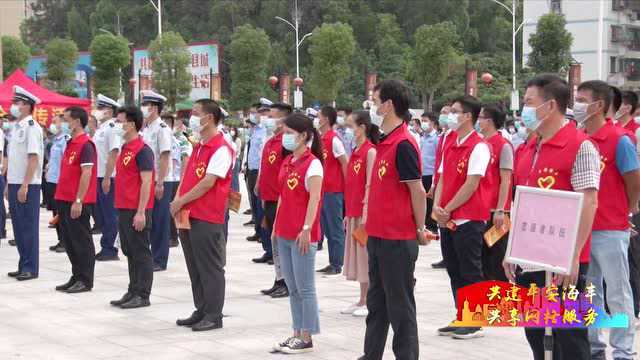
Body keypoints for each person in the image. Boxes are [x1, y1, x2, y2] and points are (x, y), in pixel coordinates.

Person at [504, 74, 599, 360]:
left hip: (565, 259)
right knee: (535, 330)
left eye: (529, 102)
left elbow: (589, 201)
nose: (525, 110)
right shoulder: (529, 147)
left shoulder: (580, 146)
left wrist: (572, 256)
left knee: (569, 335)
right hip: (531, 255)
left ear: (551, 106)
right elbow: (521, 202)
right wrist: (512, 249)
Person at [360, 80, 427, 360]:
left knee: (400, 307)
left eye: (375, 102)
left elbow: (417, 191)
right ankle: (371, 354)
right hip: (377, 236)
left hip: (398, 239)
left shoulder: (403, 144)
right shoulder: (385, 142)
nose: (373, 107)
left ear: (388, 105)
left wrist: (420, 228)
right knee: (377, 304)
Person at [575, 80, 640, 360]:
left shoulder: (619, 140)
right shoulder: (578, 138)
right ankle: (594, 344)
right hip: (583, 229)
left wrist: (627, 211)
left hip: (611, 228)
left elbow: (633, 180)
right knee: (591, 291)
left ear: (598, 105)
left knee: (617, 289)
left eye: (581, 99)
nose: (576, 105)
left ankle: (623, 350)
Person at [171, 99, 233, 332]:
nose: (192, 118)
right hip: (188, 213)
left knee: (210, 267)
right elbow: (188, 177)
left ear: (209, 117)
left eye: (197, 114)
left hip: (207, 215)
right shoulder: (198, 146)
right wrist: (178, 200)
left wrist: (180, 201)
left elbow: (208, 183)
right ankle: (202, 308)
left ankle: (214, 315)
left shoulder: (221, 148)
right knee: (194, 265)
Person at [433, 95, 491, 340]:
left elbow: (472, 183)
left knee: (470, 270)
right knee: (454, 269)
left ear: (468, 116)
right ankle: (462, 315)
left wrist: (448, 207)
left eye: (455, 111)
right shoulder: (450, 142)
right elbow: (443, 177)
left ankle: (475, 320)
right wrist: (436, 205)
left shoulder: (478, 145)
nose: (450, 115)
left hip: (468, 218)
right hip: (448, 218)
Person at [271, 113, 323, 354]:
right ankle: (296, 332)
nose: (285, 137)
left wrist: (307, 228)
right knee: (292, 287)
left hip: (302, 234)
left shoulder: (313, 164)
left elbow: (314, 198)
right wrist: (275, 226)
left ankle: (307, 336)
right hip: (284, 231)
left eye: (290, 133)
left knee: (305, 287)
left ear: (303, 136)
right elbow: (283, 195)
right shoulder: (288, 161)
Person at [110, 106, 155, 309]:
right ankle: (133, 289)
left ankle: (143, 294)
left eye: (121, 122)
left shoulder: (142, 150)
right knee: (129, 250)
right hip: (123, 207)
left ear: (132, 124)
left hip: (137, 209)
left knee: (140, 251)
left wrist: (141, 212)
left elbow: (147, 182)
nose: (118, 125)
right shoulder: (125, 149)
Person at [54, 106, 98, 293]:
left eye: (66, 120)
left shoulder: (85, 145)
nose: (64, 123)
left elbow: (86, 173)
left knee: (81, 241)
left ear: (77, 122)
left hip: (77, 201)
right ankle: (76, 275)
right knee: (70, 241)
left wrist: (78, 200)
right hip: (64, 198)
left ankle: (85, 279)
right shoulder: (71, 143)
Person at [340, 110, 378, 318]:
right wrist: (348, 212)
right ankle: (362, 299)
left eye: (350, 126)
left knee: (366, 258)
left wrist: (366, 213)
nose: (347, 131)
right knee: (358, 260)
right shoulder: (355, 151)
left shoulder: (370, 152)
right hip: (354, 211)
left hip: (365, 214)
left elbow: (370, 185)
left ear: (362, 127)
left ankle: (371, 300)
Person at [256, 103, 293, 299]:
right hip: (268, 198)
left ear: (283, 120)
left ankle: (286, 282)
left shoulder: (286, 144)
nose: (267, 119)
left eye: (272, 116)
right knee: (274, 241)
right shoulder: (271, 141)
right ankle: (279, 279)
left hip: (280, 200)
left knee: (281, 242)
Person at [6, 86, 44, 281]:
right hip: (14, 183)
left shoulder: (32, 128)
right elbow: (14, 160)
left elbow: (33, 159)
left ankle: (30, 267)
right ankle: (23, 264)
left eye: (18, 103)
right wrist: (9, 184)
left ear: (28, 106)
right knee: (19, 227)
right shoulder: (16, 127)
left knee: (28, 226)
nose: (14, 106)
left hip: (28, 185)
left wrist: (25, 185)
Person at [477, 104, 513, 282]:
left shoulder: (503, 146)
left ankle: (503, 306)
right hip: (481, 210)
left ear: (489, 121)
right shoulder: (480, 144)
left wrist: (500, 209)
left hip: (498, 213)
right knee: (482, 260)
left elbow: (505, 179)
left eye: (481, 117)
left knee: (497, 259)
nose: (478, 121)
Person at [140, 90, 174, 272]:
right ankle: (153, 255)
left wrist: (160, 182)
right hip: (149, 179)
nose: (144, 108)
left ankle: (160, 259)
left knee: (160, 220)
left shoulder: (162, 129)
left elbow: (164, 156)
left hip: (161, 180)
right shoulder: (147, 129)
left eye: (146, 105)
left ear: (154, 108)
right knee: (150, 219)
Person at [316, 105, 348, 276]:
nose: (317, 119)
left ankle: (337, 263)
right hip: (323, 190)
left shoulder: (334, 140)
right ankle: (332, 261)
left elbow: (344, 162)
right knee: (327, 228)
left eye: (319, 116)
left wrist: (346, 187)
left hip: (334, 191)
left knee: (335, 228)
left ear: (326, 119)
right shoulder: (321, 139)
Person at [93, 94, 121, 261]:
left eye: (101, 108)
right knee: (102, 214)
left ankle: (111, 248)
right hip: (99, 175)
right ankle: (106, 244)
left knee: (110, 214)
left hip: (108, 176)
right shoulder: (101, 128)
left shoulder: (112, 128)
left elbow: (114, 153)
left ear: (109, 111)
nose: (98, 111)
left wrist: (107, 177)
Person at [430, 103, 455, 269]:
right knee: (440, 221)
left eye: (448, 112)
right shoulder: (443, 136)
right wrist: (433, 184)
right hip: (439, 182)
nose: (444, 115)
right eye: (443, 113)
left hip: (449, 185)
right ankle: (446, 255)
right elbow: (438, 163)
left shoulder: (455, 136)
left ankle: (451, 255)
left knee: (448, 221)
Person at [245, 99, 269, 241]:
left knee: (262, 204)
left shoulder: (265, 130)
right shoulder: (255, 129)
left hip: (261, 171)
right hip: (252, 169)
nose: (256, 116)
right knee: (254, 202)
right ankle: (258, 231)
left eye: (259, 113)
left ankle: (263, 232)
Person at [45, 115, 70, 253]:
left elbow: (66, 162)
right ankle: (60, 239)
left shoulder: (65, 140)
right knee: (56, 212)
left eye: (56, 122)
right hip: (52, 180)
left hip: (60, 181)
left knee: (61, 213)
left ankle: (65, 241)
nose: (53, 125)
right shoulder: (57, 140)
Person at [168, 115, 192, 247]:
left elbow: (185, 159)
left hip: (177, 178)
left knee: (178, 207)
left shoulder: (182, 139)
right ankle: (171, 234)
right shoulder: (171, 137)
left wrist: (183, 179)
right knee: (170, 208)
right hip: (170, 178)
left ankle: (175, 236)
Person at [419, 112, 439, 233]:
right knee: (423, 200)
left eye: (425, 120)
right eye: (422, 120)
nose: (423, 123)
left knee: (431, 200)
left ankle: (433, 225)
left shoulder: (436, 138)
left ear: (432, 122)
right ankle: (424, 224)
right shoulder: (422, 138)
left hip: (430, 173)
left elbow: (438, 157)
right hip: (422, 172)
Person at [230, 126, 242, 192]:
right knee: (231, 179)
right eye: (231, 130)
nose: (232, 131)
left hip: (236, 159)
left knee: (235, 178)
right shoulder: (230, 139)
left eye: (233, 130)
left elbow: (237, 150)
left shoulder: (238, 140)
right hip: (231, 160)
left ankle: (236, 193)